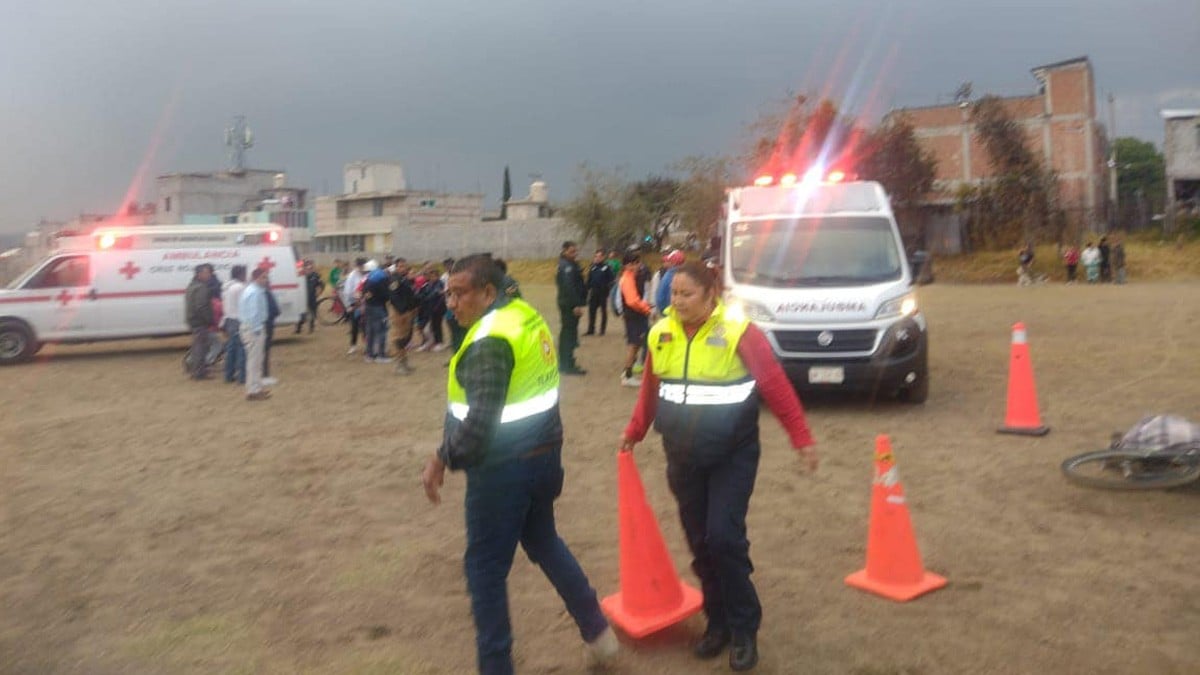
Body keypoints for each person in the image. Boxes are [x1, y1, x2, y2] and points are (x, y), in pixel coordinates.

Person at [420, 255, 617, 675]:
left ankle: (496, 666)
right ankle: (599, 634)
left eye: (460, 293)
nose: (450, 302)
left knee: (484, 569)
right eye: (448, 292)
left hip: (503, 470)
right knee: (544, 540)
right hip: (543, 458)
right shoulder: (525, 316)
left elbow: (478, 426)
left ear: (488, 293)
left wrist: (441, 457)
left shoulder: (489, 340)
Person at [620, 261, 817, 672]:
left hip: (733, 454)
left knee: (724, 537)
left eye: (687, 294)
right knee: (700, 543)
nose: (678, 301)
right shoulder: (661, 333)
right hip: (682, 456)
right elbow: (651, 390)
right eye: (674, 293)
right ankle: (718, 622)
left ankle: (745, 629)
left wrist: (800, 437)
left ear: (712, 295)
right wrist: (635, 431)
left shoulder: (739, 332)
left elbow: (775, 384)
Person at [618, 250, 652, 387]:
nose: (638, 265)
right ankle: (627, 375)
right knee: (634, 345)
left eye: (638, 262)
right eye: (634, 263)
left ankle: (627, 371)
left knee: (636, 344)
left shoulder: (632, 276)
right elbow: (632, 301)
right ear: (627, 265)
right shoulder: (627, 279)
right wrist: (646, 308)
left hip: (635, 315)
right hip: (634, 315)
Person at [555, 241, 587, 375]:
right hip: (569, 304)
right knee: (568, 334)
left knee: (569, 332)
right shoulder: (566, 266)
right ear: (564, 251)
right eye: (571, 251)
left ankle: (567, 361)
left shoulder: (570, 264)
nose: (575, 254)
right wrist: (575, 305)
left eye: (575, 251)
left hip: (567, 303)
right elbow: (569, 287)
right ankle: (566, 364)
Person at [239, 267, 271, 401]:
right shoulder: (254, 293)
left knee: (256, 360)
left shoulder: (253, 291)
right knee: (254, 361)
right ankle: (253, 390)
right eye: (263, 277)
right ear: (256, 278)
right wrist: (257, 330)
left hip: (251, 328)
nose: (266, 280)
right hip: (253, 330)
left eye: (266, 277)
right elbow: (254, 314)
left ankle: (256, 387)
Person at [387, 258, 419, 374]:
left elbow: (409, 295)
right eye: (400, 266)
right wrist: (402, 311)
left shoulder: (405, 279)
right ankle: (399, 365)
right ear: (396, 267)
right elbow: (394, 297)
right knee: (399, 339)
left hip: (407, 312)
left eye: (404, 266)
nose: (403, 268)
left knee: (406, 338)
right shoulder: (394, 279)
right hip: (399, 313)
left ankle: (404, 363)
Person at [184, 264, 215, 380]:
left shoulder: (191, 286)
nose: (209, 275)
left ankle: (196, 370)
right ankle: (199, 372)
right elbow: (201, 306)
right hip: (200, 321)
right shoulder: (201, 288)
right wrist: (209, 319)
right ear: (199, 274)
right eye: (207, 273)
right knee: (201, 348)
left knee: (197, 346)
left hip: (193, 321)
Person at [361, 259, 391, 363]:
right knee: (382, 330)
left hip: (369, 307)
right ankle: (381, 355)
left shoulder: (367, 278)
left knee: (370, 331)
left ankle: (369, 355)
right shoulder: (382, 277)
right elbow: (386, 294)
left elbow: (364, 292)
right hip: (378, 307)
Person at [221, 265, 247, 384]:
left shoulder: (226, 287)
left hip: (229, 319)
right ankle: (242, 377)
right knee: (242, 348)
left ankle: (228, 374)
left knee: (231, 349)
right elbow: (244, 304)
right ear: (241, 274)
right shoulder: (240, 287)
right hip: (238, 319)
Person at [584, 249, 614, 336]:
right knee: (591, 311)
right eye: (596, 256)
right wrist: (586, 289)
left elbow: (611, 280)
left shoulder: (606, 268)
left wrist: (607, 289)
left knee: (603, 311)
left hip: (603, 293)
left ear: (603, 257)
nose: (597, 258)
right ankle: (591, 329)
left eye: (599, 256)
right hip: (594, 292)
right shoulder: (593, 267)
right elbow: (589, 280)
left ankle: (602, 330)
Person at [343, 258, 367, 355]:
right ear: (357, 266)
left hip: (365, 303)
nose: (362, 268)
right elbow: (347, 292)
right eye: (360, 266)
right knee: (354, 326)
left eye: (363, 266)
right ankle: (353, 346)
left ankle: (367, 346)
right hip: (354, 303)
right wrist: (349, 305)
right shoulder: (352, 276)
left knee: (365, 326)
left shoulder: (366, 274)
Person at [654, 249, 685, 318]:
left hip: (669, 314)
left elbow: (660, 298)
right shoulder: (686, 276)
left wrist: (664, 313)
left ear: (672, 262)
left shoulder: (667, 276)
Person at [296, 260, 325, 334]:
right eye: (308, 266)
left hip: (312, 297)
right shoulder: (301, 275)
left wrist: (319, 292)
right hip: (303, 297)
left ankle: (311, 328)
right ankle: (298, 328)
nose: (310, 268)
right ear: (305, 267)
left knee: (313, 313)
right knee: (302, 313)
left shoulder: (316, 275)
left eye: (311, 266)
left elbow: (321, 284)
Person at [262, 279, 281, 386]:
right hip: (267, 324)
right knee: (265, 351)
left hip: (263, 324)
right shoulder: (266, 293)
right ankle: (264, 375)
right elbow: (274, 309)